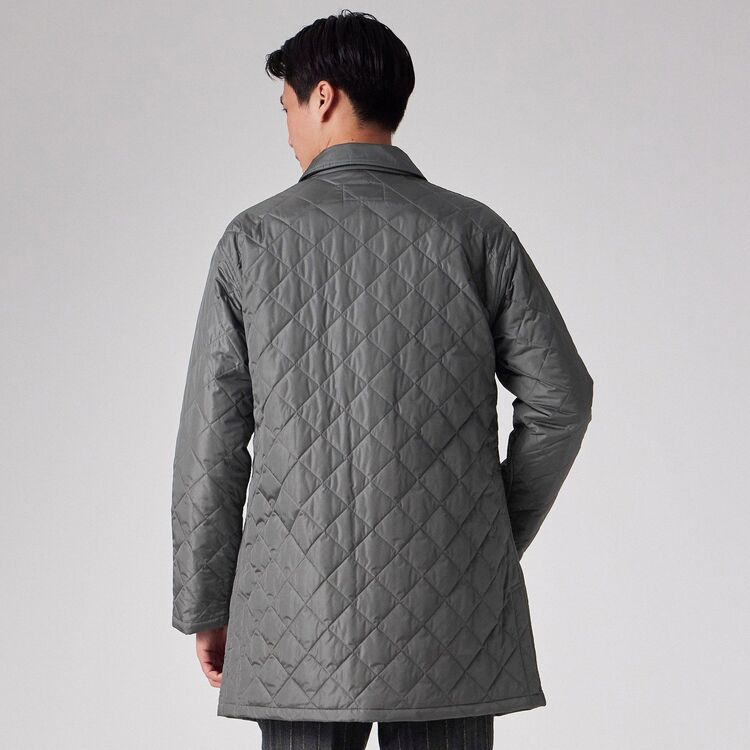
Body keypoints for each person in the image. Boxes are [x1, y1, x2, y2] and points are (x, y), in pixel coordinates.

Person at [171, 10, 594, 750]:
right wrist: (487, 534)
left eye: (287, 106)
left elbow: (213, 442)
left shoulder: (254, 240)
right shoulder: (475, 232)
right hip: (452, 615)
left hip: (294, 620)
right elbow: (562, 401)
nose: (288, 128)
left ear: (323, 96)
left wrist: (207, 603)